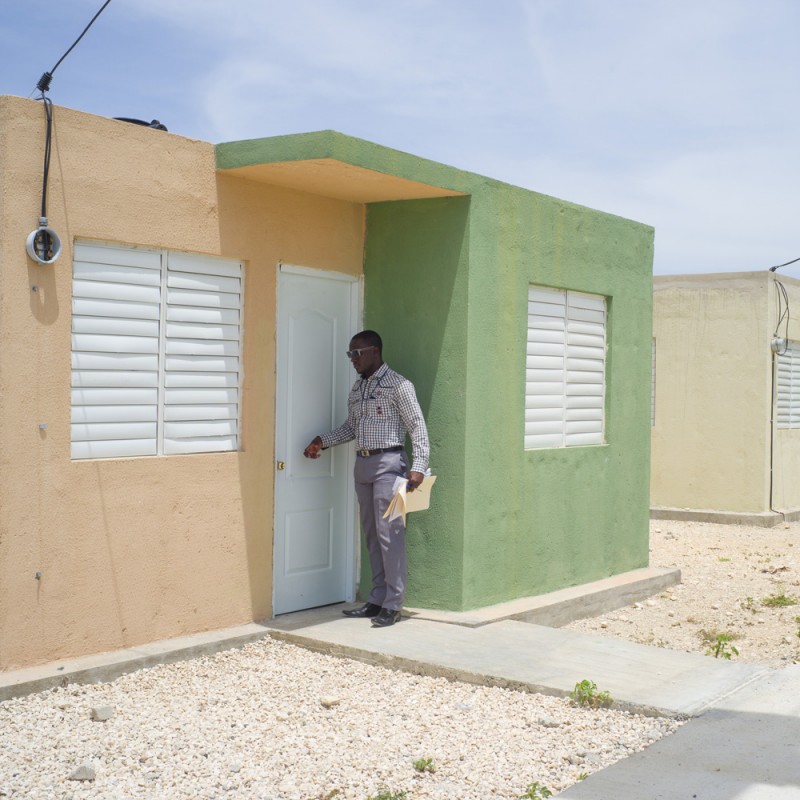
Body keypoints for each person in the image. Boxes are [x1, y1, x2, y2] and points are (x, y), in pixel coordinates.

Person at [303, 330, 429, 628]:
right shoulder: (357, 390)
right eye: (350, 354)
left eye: (357, 353)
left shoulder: (399, 385)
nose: (353, 360)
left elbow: (417, 427)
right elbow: (351, 428)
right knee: (372, 535)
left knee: (391, 535)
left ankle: (394, 603)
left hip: (389, 464)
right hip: (363, 465)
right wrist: (323, 440)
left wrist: (420, 465)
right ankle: (377, 598)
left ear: (375, 351)